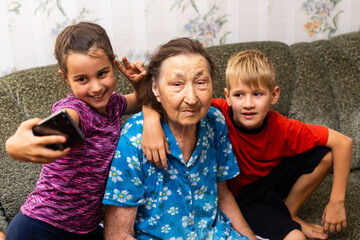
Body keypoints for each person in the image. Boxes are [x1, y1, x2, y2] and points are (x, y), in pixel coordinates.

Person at [145, 49, 353, 240]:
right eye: (239, 95)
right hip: (240, 196)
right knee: (296, 238)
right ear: (227, 97)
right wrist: (152, 121)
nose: (248, 104)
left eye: (257, 94)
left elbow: (343, 142)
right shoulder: (215, 112)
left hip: (269, 179)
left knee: (325, 153)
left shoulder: (283, 127)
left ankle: (289, 213)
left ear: (274, 95)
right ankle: (286, 223)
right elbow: (162, 100)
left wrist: (337, 202)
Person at [102, 37, 256, 240]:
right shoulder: (133, 140)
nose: (191, 99)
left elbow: (223, 194)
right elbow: (117, 235)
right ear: (155, 88)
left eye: (201, 82)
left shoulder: (215, 121)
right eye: (177, 84)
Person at [5, 22, 147, 240]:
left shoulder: (115, 104)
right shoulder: (76, 110)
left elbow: (139, 102)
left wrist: (139, 84)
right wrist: (14, 146)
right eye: (82, 79)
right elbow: (52, 127)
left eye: (102, 73)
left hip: (85, 229)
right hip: (41, 226)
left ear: (113, 64)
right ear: (66, 78)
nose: (96, 87)